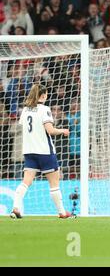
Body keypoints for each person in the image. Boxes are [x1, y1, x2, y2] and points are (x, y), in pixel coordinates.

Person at [10, 84, 72, 219]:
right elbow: (50, 130)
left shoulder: (25, 110)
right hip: (45, 151)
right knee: (54, 183)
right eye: (46, 94)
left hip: (29, 151)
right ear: (43, 95)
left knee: (26, 181)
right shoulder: (44, 109)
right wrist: (63, 130)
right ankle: (62, 212)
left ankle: (15, 207)